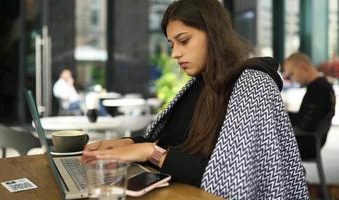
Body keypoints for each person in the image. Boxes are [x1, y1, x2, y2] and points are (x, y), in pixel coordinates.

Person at [82, 0, 309, 199]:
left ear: (214, 34)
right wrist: (129, 143)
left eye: (184, 40)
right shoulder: (200, 83)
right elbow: (172, 140)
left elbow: (229, 182)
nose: (174, 53)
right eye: (172, 44)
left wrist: (151, 151)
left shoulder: (252, 86)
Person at [283, 52, 336, 158]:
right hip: (310, 140)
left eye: (292, 74)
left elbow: (307, 124)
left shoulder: (318, 88)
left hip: (307, 143)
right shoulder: (321, 85)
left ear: (303, 67)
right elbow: (306, 118)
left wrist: (282, 118)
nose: (292, 79)